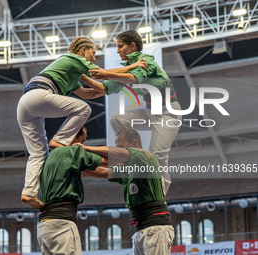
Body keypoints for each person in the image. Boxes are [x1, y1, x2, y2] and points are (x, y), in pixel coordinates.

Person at [17, 36, 147, 209]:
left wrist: (114, 88)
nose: (93, 58)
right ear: (83, 50)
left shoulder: (70, 73)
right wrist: (133, 67)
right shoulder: (72, 58)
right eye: (92, 53)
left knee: (38, 154)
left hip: (25, 105)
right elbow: (100, 73)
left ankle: (29, 192)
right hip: (39, 95)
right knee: (83, 109)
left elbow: (89, 93)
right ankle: (60, 141)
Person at [80, 30, 182, 195]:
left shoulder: (146, 61)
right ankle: (133, 156)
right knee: (117, 119)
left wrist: (105, 73)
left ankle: (159, 195)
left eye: (121, 46)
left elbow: (134, 78)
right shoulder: (125, 70)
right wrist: (81, 76)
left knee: (157, 155)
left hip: (168, 113)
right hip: (151, 113)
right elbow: (101, 88)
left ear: (132, 46)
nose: (118, 50)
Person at [78, 129, 174, 255]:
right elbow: (100, 172)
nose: (117, 150)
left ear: (134, 144)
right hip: (141, 228)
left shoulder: (145, 157)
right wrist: (73, 166)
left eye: (121, 147)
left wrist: (86, 148)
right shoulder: (127, 169)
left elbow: (118, 154)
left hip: (155, 227)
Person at [37, 126, 107, 255]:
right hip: (61, 224)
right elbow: (107, 161)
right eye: (82, 141)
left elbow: (99, 172)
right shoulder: (72, 151)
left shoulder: (51, 157)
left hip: (45, 226)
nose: (82, 145)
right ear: (74, 137)